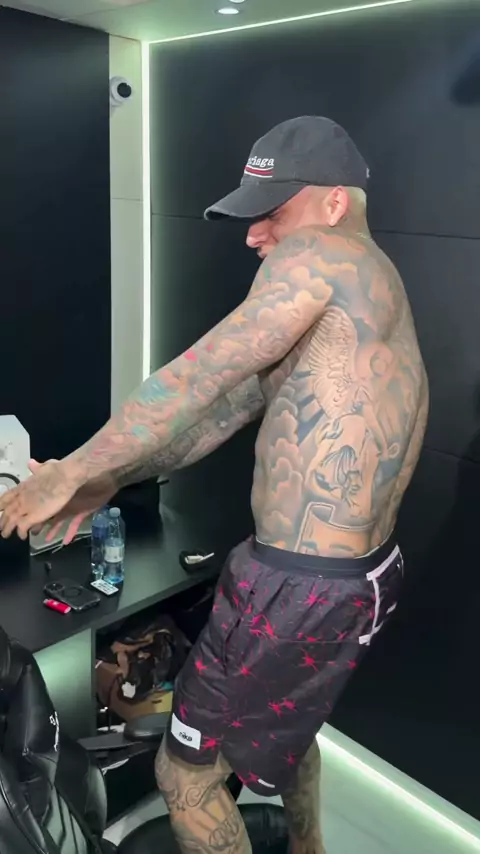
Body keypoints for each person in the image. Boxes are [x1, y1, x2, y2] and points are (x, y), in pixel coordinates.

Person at [0, 116, 428, 854]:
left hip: (298, 582)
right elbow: (217, 416)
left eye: (273, 212)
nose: (255, 235)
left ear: (333, 203)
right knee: (288, 734)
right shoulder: (363, 294)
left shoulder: (323, 255)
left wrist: (70, 470)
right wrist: (109, 479)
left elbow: (193, 380)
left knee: (187, 778)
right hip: (357, 575)